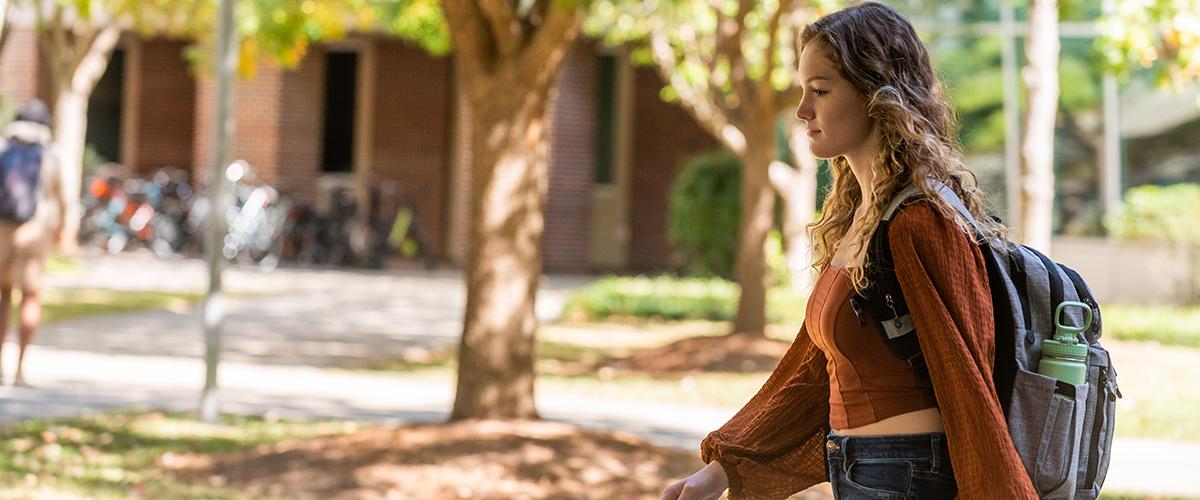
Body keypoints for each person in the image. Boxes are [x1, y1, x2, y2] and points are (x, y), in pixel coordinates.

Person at [660, 3, 1038, 499]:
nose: (802, 110)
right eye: (802, 90)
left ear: (877, 95)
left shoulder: (920, 222)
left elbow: (968, 384)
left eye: (820, 91)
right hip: (866, 471)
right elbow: (814, 372)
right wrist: (723, 469)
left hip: (904, 476)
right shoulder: (862, 217)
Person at [0, 99, 67, 387]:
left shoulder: (3, 149)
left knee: (3, 296)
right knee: (30, 297)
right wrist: (63, 229)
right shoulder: (50, 155)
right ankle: (19, 369)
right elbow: (62, 198)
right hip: (35, 232)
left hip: (2, 231)